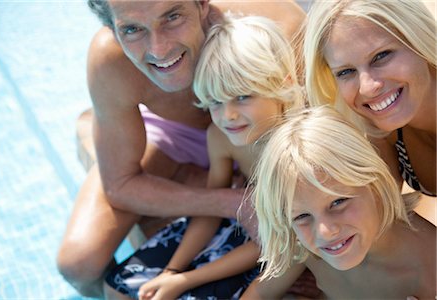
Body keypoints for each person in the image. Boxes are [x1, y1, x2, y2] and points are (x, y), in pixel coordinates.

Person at [56, 0, 306, 297]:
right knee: (78, 263)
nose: (159, 50)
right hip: (174, 136)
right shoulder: (110, 59)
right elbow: (120, 184)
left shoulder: (276, 27)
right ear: (112, 29)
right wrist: (231, 202)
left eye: (172, 16)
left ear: (201, 3)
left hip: (265, 139)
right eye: (133, 29)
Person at [241, 105, 436, 299]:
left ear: (375, 185)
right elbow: (260, 293)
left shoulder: (430, 270)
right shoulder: (305, 246)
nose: (325, 231)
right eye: (301, 215)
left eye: (338, 202)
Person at [302, 0, 436, 198]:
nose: (367, 88)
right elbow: (379, 216)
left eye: (381, 56)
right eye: (346, 72)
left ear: (418, 37)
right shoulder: (380, 126)